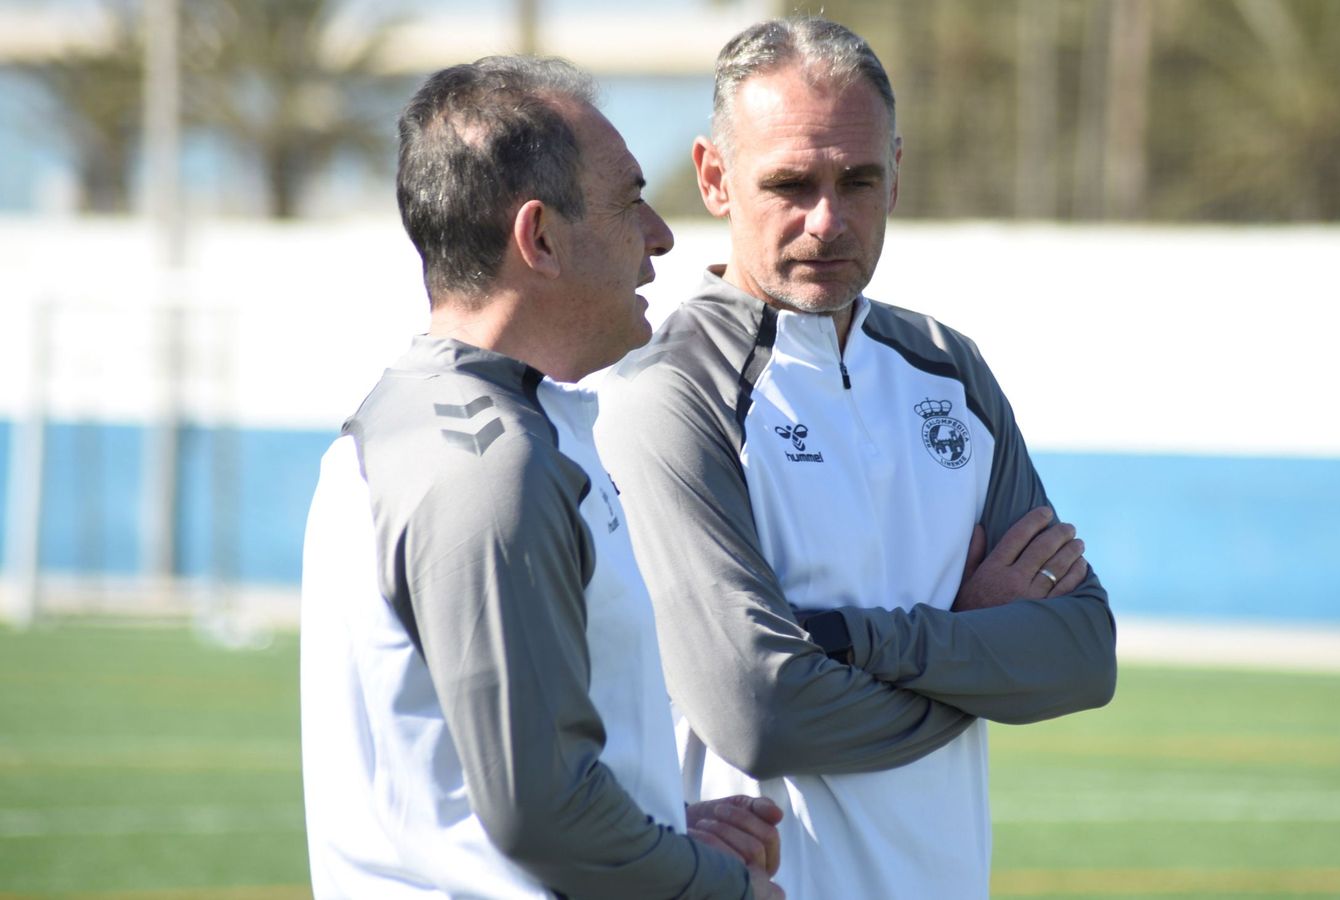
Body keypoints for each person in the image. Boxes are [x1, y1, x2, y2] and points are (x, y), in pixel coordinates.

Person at [594, 18, 1118, 899]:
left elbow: (1081, 655)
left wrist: (846, 639)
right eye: (791, 183)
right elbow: (759, 711)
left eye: (859, 180)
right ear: (715, 178)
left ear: (897, 177)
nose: (827, 220)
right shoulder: (669, 391)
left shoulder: (949, 370)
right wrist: (970, 642)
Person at [298, 55, 784, 899]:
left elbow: (473, 791)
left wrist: (652, 818)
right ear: (542, 239)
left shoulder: (436, 427)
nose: (661, 235)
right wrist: (720, 888)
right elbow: (541, 813)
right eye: (630, 199)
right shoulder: (488, 466)